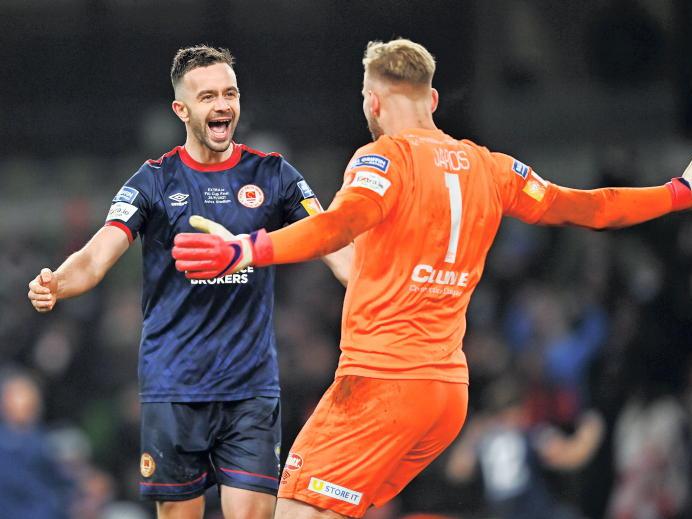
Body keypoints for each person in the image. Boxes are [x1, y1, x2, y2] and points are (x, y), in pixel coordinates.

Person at [171, 38, 692, 518]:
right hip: (445, 395)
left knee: (295, 510)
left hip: (382, 384)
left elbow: (340, 225)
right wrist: (676, 193)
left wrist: (246, 250)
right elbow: (590, 207)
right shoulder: (491, 168)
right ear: (433, 99)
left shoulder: (384, 159)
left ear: (373, 102)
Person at [27, 45, 351, 519]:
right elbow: (97, 256)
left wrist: (379, 285)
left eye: (230, 94)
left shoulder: (273, 174)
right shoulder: (153, 181)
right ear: (181, 109)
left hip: (250, 385)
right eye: (208, 97)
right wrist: (56, 282)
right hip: (174, 385)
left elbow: (332, 242)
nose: (223, 105)